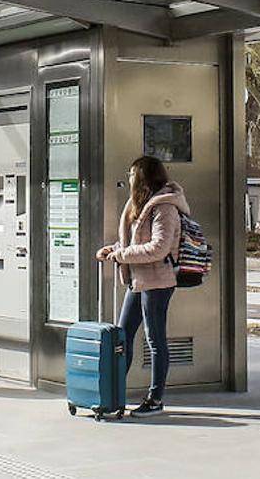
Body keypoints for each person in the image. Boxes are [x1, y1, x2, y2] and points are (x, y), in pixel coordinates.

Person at [96, 155, 186, 418]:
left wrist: (122, 256)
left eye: (133, 173)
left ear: (145, 177)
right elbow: (135, 241)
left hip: (158, 281)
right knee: (122, 336)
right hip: (138, 280)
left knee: (155, 340)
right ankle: (112, 392)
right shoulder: (138, 205)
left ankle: (155, 399)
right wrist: (113, 249)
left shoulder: (165, 208)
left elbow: (158, 248)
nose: (129, 177)